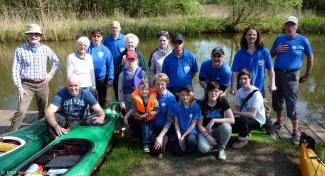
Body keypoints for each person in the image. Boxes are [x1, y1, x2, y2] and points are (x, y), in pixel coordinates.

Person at [270, 16, 314, 144]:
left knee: (292, 102)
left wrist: (307, 74)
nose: (289, 27)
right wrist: (276, 50)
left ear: (296, 27)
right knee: (277, 99)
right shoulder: (279, 39)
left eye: (292, 25)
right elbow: (270, 54)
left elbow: (310, 57)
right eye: (287, 25)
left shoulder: (303, 40)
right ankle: (279, 121)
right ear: (284, 27)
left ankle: (295, 131)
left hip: (292, 75)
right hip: (277, 73)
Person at [10, 23, 60, 131]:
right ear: (27, 35)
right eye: (31, 34)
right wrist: (19, 87)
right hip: (26, 85)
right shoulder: (20, 49)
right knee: (21, 111)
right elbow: (15, 70)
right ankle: (12, 133)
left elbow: (56, 62)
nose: (34, 36)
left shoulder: (45, 49)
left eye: (37, 34)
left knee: (44, 111)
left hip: (43, 84)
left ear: (40, 36)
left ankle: (41, 130)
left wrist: (50, 74)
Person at [230, 27, 276, 96]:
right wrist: (233, 86)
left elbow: (270, 70)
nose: (251, 36)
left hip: (259, 89)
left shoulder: (264, 52)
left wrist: (273, 84)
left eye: (254, 34)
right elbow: (234, 72)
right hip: (242, 90)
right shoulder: (239, 54)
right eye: (249, 34)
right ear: (245, 36)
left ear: (257, 37)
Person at [197, 81, 234, 160]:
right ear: (207, 92)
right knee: (203, 149)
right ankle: (212, 143)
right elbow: (199, 124)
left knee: (227, 127)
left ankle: (221, 148)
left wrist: (214, 120)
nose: (213, 93)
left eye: (216, 91)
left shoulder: (222, 100)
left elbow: (232, 119)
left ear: (219, 92)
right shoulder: (202, 103)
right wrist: (207, 136)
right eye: (211, 91)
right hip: (206, 130)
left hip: (219, 129)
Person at [231, 69, 266, 148]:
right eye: (241, 79)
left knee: (242, 120)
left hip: (257, 119)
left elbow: (252, 115)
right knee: (229, 122)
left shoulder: (256, 93)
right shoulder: (239, 92)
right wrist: (230, 113)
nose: (243, 81)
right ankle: (247, 130)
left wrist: (236, 113)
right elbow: (238, 109)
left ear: (250, 79)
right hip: (244, 117)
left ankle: (243, 139)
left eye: (245, 78)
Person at [124, 79, 159, 153]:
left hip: (151, 118)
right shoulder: (135, 100)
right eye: (142, 89)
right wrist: (140, 116)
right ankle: (145, 144)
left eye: (146, 89)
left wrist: (155, 112)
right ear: (139, 90)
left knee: (150, 130)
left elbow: (157, 109)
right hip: (141, 118)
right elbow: (134, 111)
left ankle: (151, 141)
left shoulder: (153, 99)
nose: (144, 91)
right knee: (145, 129)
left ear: (149, 90)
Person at [114, 33, 147, 100]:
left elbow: (143, 69)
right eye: (128, 42)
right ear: (125, 44)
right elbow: (116, 70)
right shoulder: (121, 55)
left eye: (132, 42)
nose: (130, 44)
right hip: (125, 86)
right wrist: (123, 64)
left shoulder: (140, 55)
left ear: (136, 44)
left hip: (138, 86)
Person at [170, 85, 201, 156]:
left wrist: (183, 136)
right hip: (179, 131)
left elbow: (193, 124)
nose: (185, 97)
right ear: (180, 95)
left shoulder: (195, 106)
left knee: (190, 142)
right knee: (177, 153)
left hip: (191, 131)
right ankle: (180, 144)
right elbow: (176, 123)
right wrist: (179, 136)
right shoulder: (176, 106)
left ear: (191, 94)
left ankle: (191, 146)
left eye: (187, 95)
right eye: (183, 95)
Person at [151, 73, 177, 157]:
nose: (160, 86)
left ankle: (165, 137)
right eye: (157, 84)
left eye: (162, 84)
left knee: (155, 151)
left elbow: (170, 121)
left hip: (164, 127)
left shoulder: (171, 98)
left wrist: (160, 136)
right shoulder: (152, 94)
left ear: (166, 84)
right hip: (152, 124)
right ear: (154, 85)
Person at [87, 28, 114, 108]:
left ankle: (103, 114)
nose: (96, 38)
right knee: (92, 99)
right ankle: (93, 115)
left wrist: (110, 78)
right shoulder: (87, 49)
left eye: (98, 36)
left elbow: (110, 65)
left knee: (102, 98)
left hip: (102, 79)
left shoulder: (105, 50)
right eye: (94, 36)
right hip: (90, 80)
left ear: (102, 38)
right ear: (91, 38)